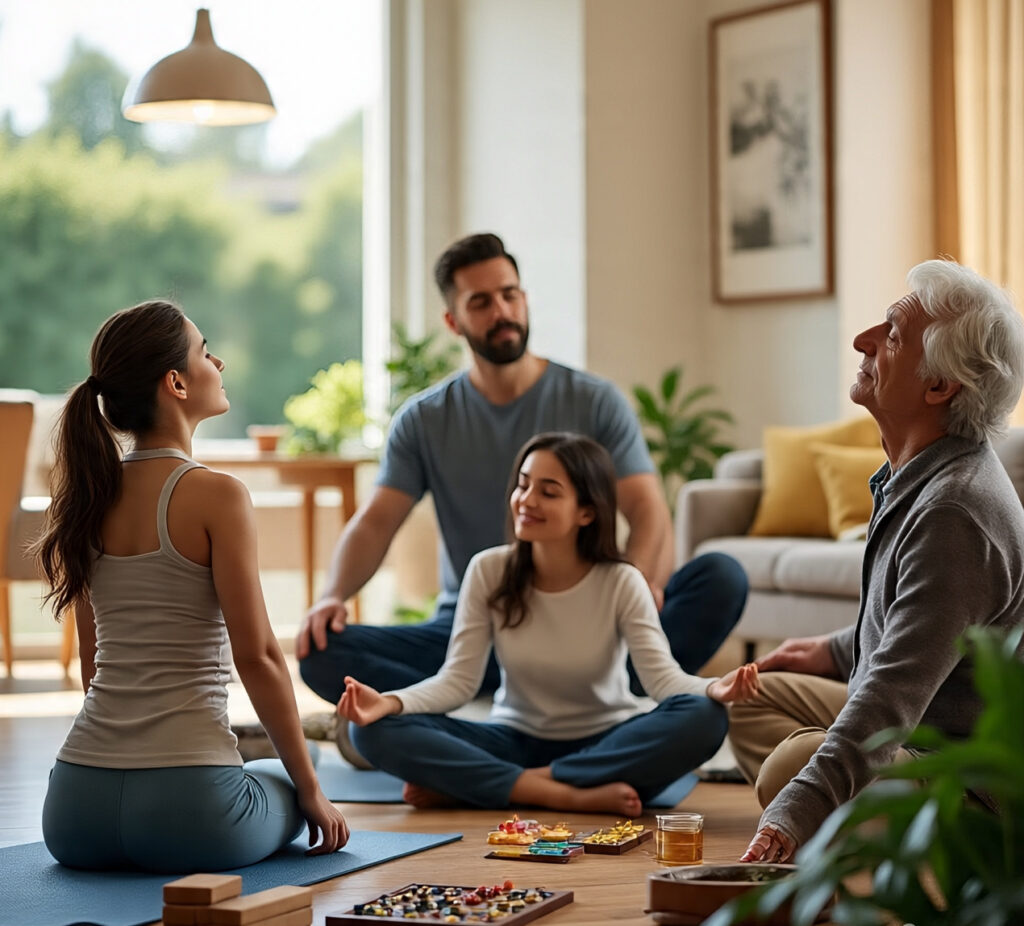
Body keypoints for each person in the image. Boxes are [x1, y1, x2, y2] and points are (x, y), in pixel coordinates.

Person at [297, 233, 748, 759]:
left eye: (510, 294)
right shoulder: (424, 420)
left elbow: (648, 509)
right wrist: (332, 595)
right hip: (473, 630)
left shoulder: (594, 400)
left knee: (722, 576)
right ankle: (563, 731)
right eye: (481, 302)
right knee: (322, 651)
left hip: (596, 626)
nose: (502, 310)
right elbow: (376, 522)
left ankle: (577, 708)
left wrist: (638, 588)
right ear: (454, 322)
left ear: (525, 298)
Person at [35, 300, 349, 873]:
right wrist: (311, 791)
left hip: (74, 811)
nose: (219, 361)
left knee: (269, 771)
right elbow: (257, 658)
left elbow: (92, 663)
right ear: (176, 382)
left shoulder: (85, 498)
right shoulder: (217, 495)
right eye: (206, 351)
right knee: (293, 772)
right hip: (192, 814)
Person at [729, 260, 1024, 864]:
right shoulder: (914, 476)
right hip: (913, 721)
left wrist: (790, 813)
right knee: (752, 699)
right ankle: (852, 832)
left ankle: (913, 853)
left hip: (966, 772)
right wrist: (834, 651)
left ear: (940, 387)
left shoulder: (954, 512)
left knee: (790, 768)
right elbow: (928, 626)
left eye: (891, 336)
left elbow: (890, 694)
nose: (863, 340)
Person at [337, 432, 760, 815]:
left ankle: (492, 785)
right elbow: (458, 682)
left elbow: (661, 679)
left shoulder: (621, 580)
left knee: (706, 717)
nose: (527, 499)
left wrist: (712, 688)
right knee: (370, 732)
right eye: (523, 484)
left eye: (549, 491)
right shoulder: (488, 570)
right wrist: (388, 703)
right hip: (513, 740)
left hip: (606, 742)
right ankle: (556, 791)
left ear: (587, 513)